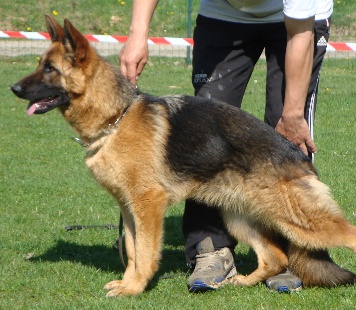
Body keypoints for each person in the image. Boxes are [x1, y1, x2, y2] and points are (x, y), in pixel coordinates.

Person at [119, 0, 332, 293]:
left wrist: (293, 114)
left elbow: (300, 35)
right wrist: (138, 32)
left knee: (286, 136)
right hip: (223, 17)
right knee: (201, 135)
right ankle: (210, 250)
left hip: (298, 24)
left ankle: (294, 254)